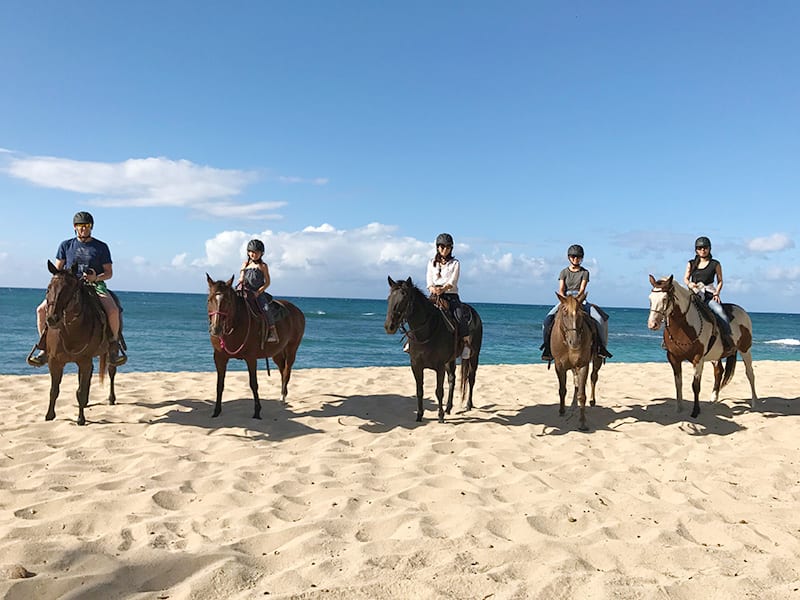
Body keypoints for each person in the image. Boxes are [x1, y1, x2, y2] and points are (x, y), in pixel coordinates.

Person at [27, 211, 127, 367]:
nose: (83, 229)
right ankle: (44, 347)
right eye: (80, 226)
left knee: (113, 310)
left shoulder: (101, 247)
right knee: (41, 310)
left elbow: (109, 273)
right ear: (75, 227)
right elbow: (58, 269)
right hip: (69, 287)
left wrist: (96, 278)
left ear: (91, 227)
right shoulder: (66, 245)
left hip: (93, 285)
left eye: (86, 226)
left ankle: (113, 346)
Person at [540, 244, 612, 361]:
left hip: (580, 300)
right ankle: (547, 348)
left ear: (581, 258)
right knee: (547, 320)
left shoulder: (585, 272)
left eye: (578, 257)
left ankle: (601, 348)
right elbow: (561, 289)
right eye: (573, 257)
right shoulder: (563, 272)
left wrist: (577, 301)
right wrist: (565, 301)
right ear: (569, 257)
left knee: (599, 319)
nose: (575, 259)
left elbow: (582, 289)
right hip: (566, 300)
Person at [684, 235, 734, 354]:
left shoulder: (715, 264)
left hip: (708, 294)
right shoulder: (691, 263)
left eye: (705, 247)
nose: (702, 250)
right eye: (700, 248)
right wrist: (690, 284)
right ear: (696, 250)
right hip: (694, 294)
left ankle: (728, 341)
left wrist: (717, 292)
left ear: (709, 249)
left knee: (720, 312)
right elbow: (686, 278)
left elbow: (720, 280)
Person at [426, 232, 472, 360]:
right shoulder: (431, 263)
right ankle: (410, 341)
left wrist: (444, 289)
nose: (444, 249)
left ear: (451, 248)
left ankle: (466, 344)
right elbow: (429, 279)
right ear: (437, 247)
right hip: (434, 295)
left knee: (459, 316)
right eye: (441, 246)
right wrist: (432, 288)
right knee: (420, 313)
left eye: (447, 247)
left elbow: (453, 281)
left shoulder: (455, 263)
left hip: (450, 296)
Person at [238, 238, 278, 344]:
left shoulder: (263, 266)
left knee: (265, 308)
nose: (253, 254)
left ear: (261, 254)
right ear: (248, 252)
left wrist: (258, 292)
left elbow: (267, 282)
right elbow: (241, 276)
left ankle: (272, 331)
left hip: (257, 293)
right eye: (251, 252)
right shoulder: (245, 264)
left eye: (256, 252)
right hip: (244, 291)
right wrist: (241, 278)